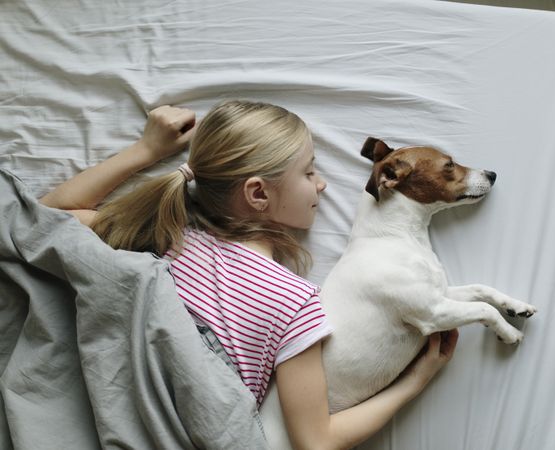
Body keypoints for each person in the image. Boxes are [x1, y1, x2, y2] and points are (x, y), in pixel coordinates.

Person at [40, 100, 459, 450]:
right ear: (258, 193)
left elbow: (46, 218)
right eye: (309, 172)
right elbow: (315, 441)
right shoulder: (294, 301)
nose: (323, 186)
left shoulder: (170, 236)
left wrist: (146, 150)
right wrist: (417, 380)